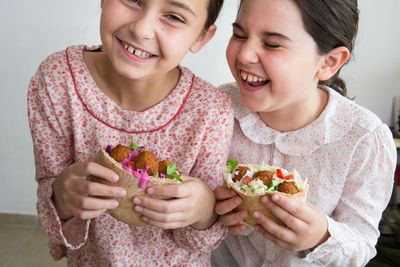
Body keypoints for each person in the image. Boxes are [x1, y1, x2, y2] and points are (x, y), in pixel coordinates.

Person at [27, 0, 234, 266]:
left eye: (173, 16)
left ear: (202, 37)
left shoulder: (211, 111)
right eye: (134, 0)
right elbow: (51, 203)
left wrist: (205, 208)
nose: (142, 29)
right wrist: (61, 196)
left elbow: (205, 238)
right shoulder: (57, 79)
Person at [211, 0, 397, 266]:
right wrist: (208, 211)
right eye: (239, 35)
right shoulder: (217, 109)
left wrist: (321, 236)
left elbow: (362, 245)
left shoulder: (364, 139)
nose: (244, 55)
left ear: (329, 62)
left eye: (272, 44)